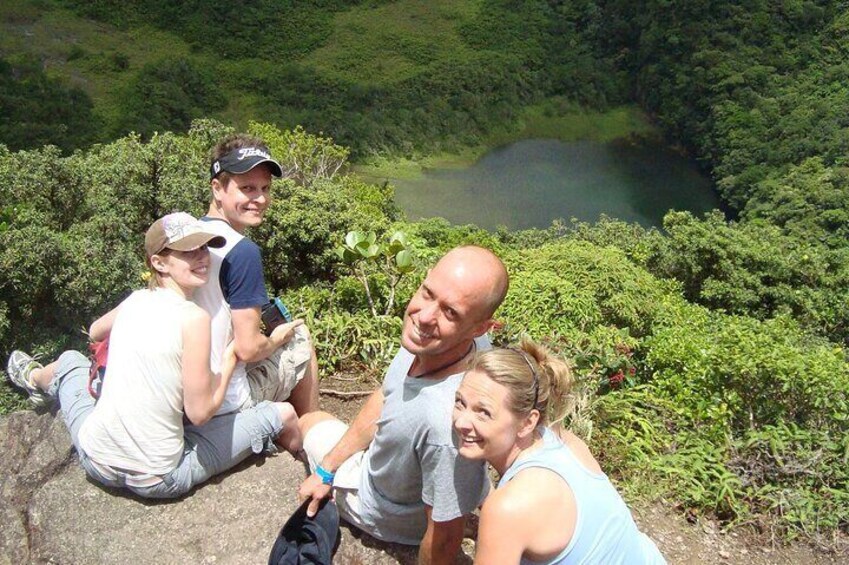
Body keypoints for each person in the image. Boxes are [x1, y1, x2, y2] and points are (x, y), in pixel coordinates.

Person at [5, 212, 301, 499]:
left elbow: (95, 331)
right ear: (159, 262)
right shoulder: (193, 319)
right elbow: (199, 413)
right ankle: (307, 471)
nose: (201, 257)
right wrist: (231, 358)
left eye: (203, 248)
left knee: (70, 360)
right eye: (187, 252)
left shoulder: (136, 299)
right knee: (283, 414)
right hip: (159, 477)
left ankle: (33, 378)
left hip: (95, 459)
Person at [297, 245, 510, 564]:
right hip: (406, 480)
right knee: (318, 425)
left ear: (481, 327)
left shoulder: (447, 421)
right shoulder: (450, 344)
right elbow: (388, 394)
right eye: (427, 293)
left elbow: (445, 535)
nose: (424, 317)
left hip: (384, 510)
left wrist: (328, 470)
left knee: (303, 423)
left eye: (450, 313)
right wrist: (327, 469)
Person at [452, 339, 666, 564]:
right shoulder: (565, 442)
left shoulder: (508, 507)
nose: (461, 422)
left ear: (527, 422)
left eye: (483, 412)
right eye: (460, 402)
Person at [193, 133, 319, 416]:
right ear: (217, 188)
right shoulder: (243, 252)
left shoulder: (187, 236)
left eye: (265, 187)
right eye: (247, 188)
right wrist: (276, 339)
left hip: (190, 389)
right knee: (299, 337)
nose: (260, 198)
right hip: (226, 398)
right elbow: (249, 349)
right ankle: (311, 423)